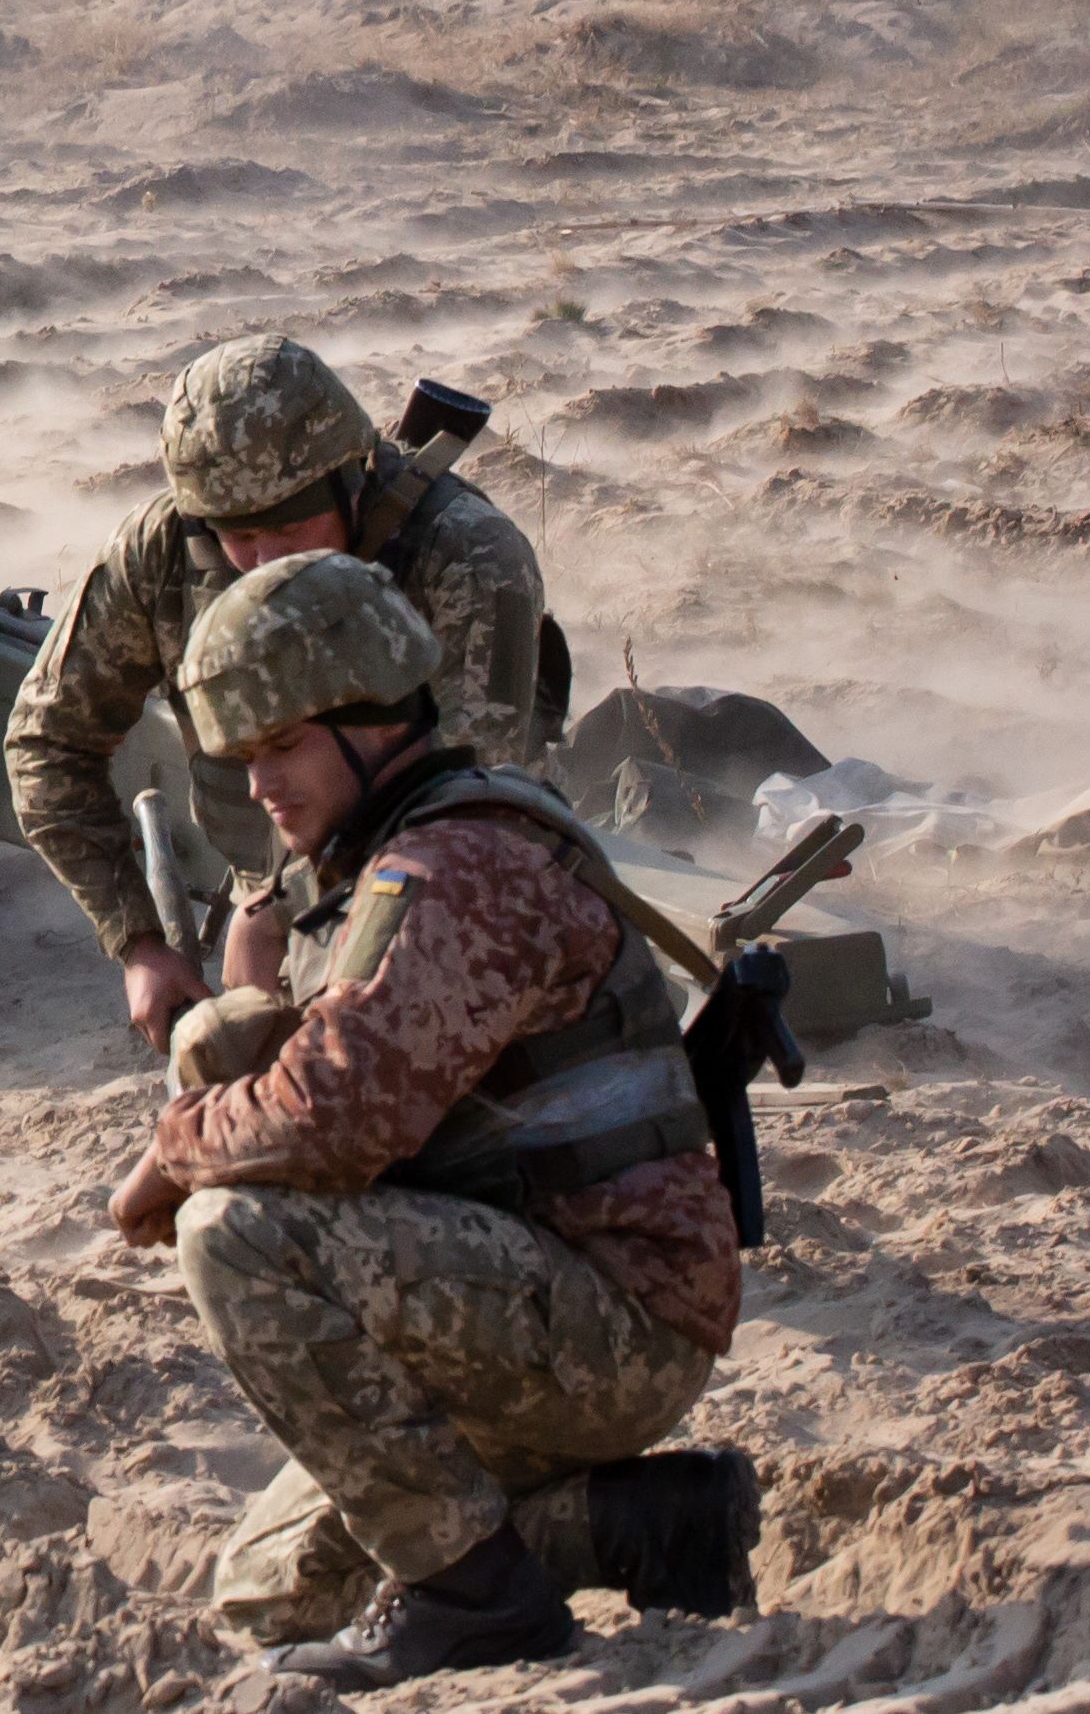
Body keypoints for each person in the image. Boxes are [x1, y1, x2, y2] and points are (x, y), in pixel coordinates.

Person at [107, 552, 758, 1684]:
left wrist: (174, 1154)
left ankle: (479, 1599)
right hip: (520, 1284)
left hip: (614, 1317)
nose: (259, 784)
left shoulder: (453, 867)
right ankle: (631, 1524)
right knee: (272, 1595)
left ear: (372, 720)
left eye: (282, 746)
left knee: (233, 1233)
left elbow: (335, 1117)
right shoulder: (383, 858)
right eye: (244, 754)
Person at [7, 334, 557, 1048]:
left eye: (292, 526)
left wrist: (275, 910)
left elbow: (461, 811)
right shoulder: (166, 550)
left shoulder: (468, 557)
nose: (262, 563)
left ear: (353, 479)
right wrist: (138, 942)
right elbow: (46, 743)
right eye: (239, 536)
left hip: (449, 904)